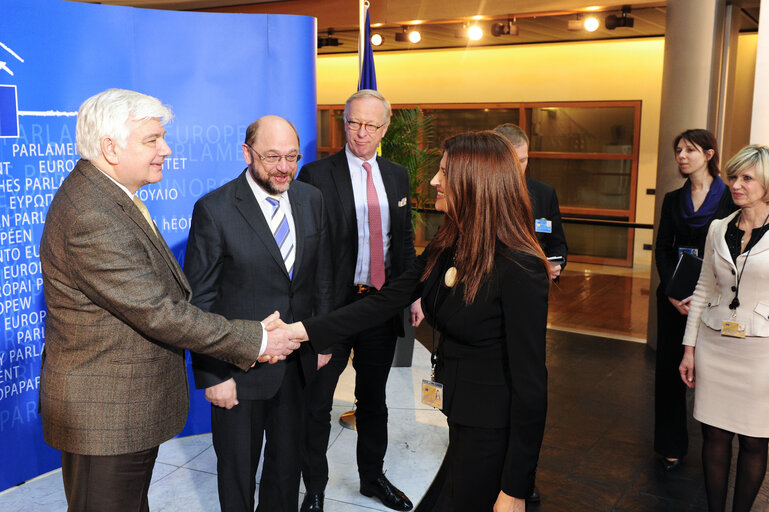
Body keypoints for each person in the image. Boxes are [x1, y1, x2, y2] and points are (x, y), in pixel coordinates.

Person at [38, 89, 299, 512]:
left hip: (122, 410)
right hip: (106, 415)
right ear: (110, 147)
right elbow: (160, 312)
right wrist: (256, 340)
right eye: (152, 140)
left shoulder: (108, 195)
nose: (166, 149)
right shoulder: (93, 215)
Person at [275, 131, 549, 512]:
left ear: (474, 183)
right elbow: (385, 300)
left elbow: (532, 387)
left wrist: (516, 488)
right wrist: (301, 331)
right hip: (461, 415)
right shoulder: (451, 242)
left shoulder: (521, 267)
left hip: (492, 429)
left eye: (444, 172)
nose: (434, 181)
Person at [184, 115, 333, 512]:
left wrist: (319, 339)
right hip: (238, 371)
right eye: (272, 157)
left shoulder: (310, 199)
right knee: (237, 475)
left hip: (297, 365)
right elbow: (199, 302)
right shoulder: (215, 209)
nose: (284, 167)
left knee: (285, 472)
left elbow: (319, 276)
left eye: (292, 157)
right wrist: (214, 375)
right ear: (247, 153)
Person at [296, 89, 421, 512]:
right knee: (317, 404)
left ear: (385, 128)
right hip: (333, 311)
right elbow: (306, 254)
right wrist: (312, 318)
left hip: (381, 307)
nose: (361, 133)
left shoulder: (398, 175)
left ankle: (372, 479)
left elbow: (402, 242)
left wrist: (412, 293)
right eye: (354, 123)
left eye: (371, 125)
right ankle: (314, 489)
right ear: (343, 123)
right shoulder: (316, 175)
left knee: (373, 399)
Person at [679, 145, 769, 512]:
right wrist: (689, 349)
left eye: (746, 178)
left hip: (760, 352)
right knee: (713, 435)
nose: (736, 184)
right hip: (715, 343)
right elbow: (703, 288)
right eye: (733, 176)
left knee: (754, 440)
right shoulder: (718, 228)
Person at [654, 129, 735, 472]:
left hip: (714, 297)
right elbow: (663, 248)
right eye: (678, 151)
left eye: (690, 150)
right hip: (675, 294)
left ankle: (718, 443)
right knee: (671, 372)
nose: (682, 156)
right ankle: (671, 445)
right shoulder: (673, 198)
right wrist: (673, 293)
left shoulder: (730, 197)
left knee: (713, 371)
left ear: (710, 153)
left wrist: (703, 296)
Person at [494, 123, 567, 282]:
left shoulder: (545, 194)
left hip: (534, 282)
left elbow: (557, 243)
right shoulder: (481, 193)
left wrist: (555, 264)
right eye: (512, 161)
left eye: (523, 160)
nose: (518, 168)